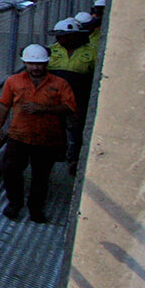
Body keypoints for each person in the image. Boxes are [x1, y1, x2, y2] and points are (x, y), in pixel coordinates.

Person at [0, 44, 77, 223]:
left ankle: (36, 208)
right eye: (31, 64)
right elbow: (4, 104)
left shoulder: (59, 84)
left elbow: (70, 107)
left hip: (47, 138)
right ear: (24, 62)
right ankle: (14, 204)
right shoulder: (13, 81)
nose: (35, 67)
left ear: (47, 64)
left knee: (41, 175)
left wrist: (42, 108)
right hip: (18, 135)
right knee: (11, 170)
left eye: (39, 64)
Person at [48, 18, 95, 174]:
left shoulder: (92, 52)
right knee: (55, 126)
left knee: (76, 128)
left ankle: (74, 159)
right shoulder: (50, 51)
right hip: (55, 98)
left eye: (63, 36)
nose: (59, 39)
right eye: (58, 36)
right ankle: (57, 153)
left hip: (79, 97)